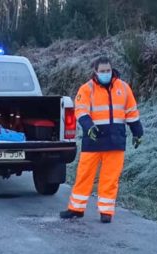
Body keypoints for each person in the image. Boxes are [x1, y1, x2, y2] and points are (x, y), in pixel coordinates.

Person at [60, 56, 143, 223]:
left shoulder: (124, 88)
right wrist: (88, 126)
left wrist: (137, 132)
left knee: (110, 179)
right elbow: (81, 111)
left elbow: (131, 112)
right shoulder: (86, 89)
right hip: (94, 140)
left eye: (108, 70)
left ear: (112, 70)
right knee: (84, 175)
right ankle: (76, 209)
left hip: (115, 140)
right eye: (102, 71)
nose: (106, 73)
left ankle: (106, 212)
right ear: (95, 72)